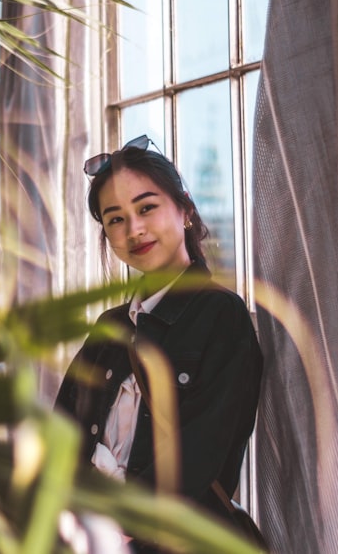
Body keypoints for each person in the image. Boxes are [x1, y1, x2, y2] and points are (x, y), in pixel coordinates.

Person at [54, 135, 264, 552]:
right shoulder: (109, 327)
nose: (134, 229)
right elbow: (61, 435)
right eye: (115, 219)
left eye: (146, 207)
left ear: (184, 209)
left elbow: (199, 456)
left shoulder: (222, 318)